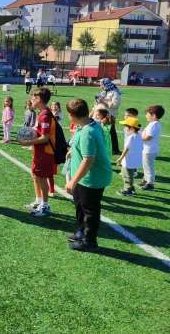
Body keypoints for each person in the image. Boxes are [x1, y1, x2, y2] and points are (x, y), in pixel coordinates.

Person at [64, 98, 112, 252]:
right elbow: (82, 145)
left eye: (69, 114)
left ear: (73, 115)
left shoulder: (88, 132)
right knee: (79, 205)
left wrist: (73, 181)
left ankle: (89, 241)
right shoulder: (86, 124)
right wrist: (73, 150)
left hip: (92, 178)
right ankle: (81, 232)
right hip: (83, 177)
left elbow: (88, 160)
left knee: (90, 210)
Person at [18, 88, 55, 217]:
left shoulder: (45, 115)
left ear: (39, 99)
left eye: (33, 98)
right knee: (35, 175)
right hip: (39, 150)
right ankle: (38, 201)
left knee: (42, 177)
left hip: (45, 152)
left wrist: (27, 143)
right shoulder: (41, 113)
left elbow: (45, 138)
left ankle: (45, 206)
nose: (31, 100)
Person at [116, 117, 143, 197]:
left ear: (131, 127)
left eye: (125, 126)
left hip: (128, 160)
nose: (124, 128)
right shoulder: (139, 135)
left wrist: (120, 158)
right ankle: (131, 188)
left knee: (126, 175)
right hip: (134, 159)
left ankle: (128, 190)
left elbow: (126, 149)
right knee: (129, 174)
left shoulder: (130, 137)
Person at [140, 105, 164, 191]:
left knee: (148, 166)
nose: (146, 116)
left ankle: (150, 183)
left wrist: (141, 135)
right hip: (148, 149)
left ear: (153, 115)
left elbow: (147, 137)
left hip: (149, 150)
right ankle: (146, 180)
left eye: (147, 114)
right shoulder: (153, 124)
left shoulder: (154, 125)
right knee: (145, 165)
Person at [96, 78, 122, 155]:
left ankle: (115, 149)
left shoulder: (115, 93)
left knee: (110, 132)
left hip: (110, 116)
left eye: (101, 84)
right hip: (100, 115)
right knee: (107, 132)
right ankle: (113, 149)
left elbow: (115, 105)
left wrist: (103, 102)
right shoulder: (104, 92)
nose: (100, 86)